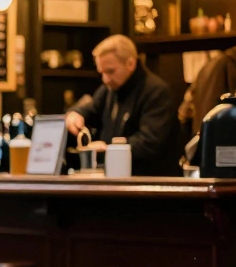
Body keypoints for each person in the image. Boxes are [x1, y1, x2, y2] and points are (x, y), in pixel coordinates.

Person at [65, 34, 180, 176]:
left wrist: (108, 149)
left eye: (110, 71)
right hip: (118, 177)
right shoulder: (109, 90)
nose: (105, 79)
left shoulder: (157, 92)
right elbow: (90, 110)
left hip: (149, 181)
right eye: (102, 73)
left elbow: (149, 143)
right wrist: (75, 114)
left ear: (130, 64)